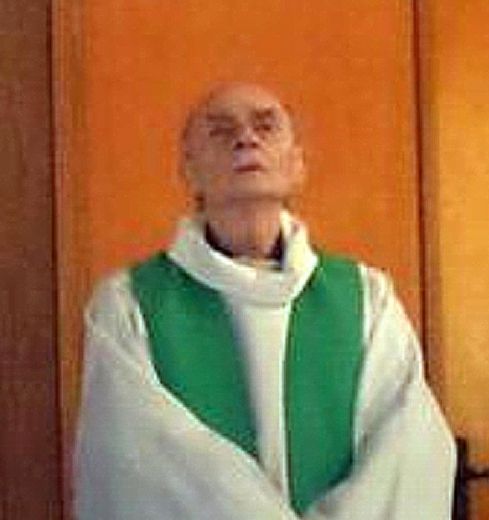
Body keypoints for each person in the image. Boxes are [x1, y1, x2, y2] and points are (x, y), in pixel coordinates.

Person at [73, 82, 456, 520]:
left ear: (297, 164)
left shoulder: (368, 298)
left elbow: (408, 452)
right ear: (189, 170)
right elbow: (136, 463)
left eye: (265, 126)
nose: (246, 138)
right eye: (221, 130)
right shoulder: (129, 304)